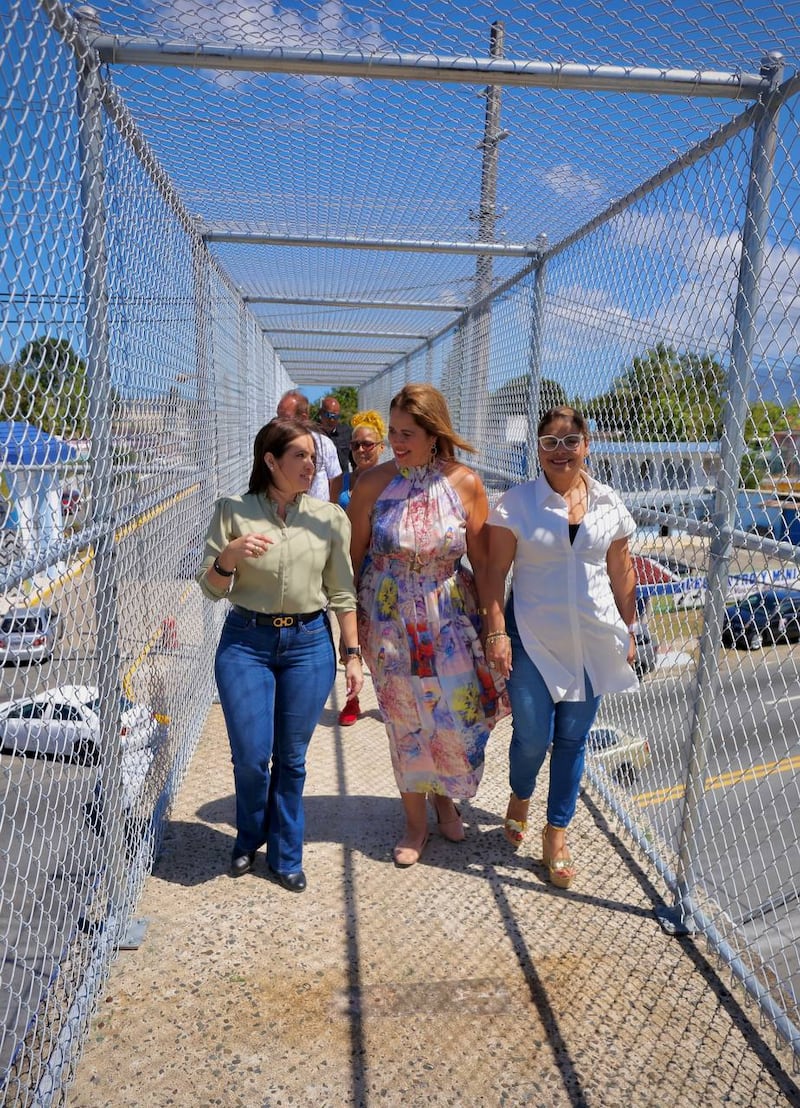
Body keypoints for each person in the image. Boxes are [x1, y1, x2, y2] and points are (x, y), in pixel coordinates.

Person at [196, 417, 363, 892]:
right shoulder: (232, 511)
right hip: (246, 642)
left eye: (314, 456)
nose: (311, 464)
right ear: (271, 461)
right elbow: (211, 590)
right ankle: (250, 835)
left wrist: (352, 655)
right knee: (252, 757)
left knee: (291, 758)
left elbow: (343, 592)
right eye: (300, 456)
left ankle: (286, 851)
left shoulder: (329, 518)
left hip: (309, 643)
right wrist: (229, 556)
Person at [348, 384, 509, 867]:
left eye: (408, 434)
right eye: (392, 433)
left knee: (455, 717)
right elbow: (352, 558)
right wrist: (350, 631)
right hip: (389, 617)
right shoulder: (372, 484)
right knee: (405, 720)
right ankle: (416, 824)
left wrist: (493, 628)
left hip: (449, 615)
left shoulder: (464, 483)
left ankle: (445, 797)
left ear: (434, 434)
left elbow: (483, 565)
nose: (396, 443)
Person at [482, 405, 638, 889]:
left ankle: (556, 835)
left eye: (571, 441)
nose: (561, 451)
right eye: (550, 442)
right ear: (538, 449)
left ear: (587, 446)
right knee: (532, 737)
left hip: (591, 641)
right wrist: (496, 631)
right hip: (530, 636)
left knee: (573, 741)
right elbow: (492, 572)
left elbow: (621, 570)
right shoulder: (517, 504)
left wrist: (627, 630)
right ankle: (520, 794)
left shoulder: (610, 503)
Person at [330, 410, 387, 727]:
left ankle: (390, 698)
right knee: (349, 634)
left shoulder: (393, 480)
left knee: (385, 637)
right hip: (349, 564)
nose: (361, 450)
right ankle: (352, 698)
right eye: (355, 445)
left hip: (381, 567)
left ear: (381, 445)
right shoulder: (343, 481)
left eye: (367, 444)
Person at [277, 389, 341, 499]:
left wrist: (331, 511)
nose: (279, 423)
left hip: (317, 513)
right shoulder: (275, 443)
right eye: (278, 416)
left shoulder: (324, 445)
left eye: (285, 418)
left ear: (303, 417)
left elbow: (335, 479)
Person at [318, 394, 353, 473]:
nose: (332, 420)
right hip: (322, 482)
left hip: (344, 479)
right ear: (321, 413)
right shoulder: (313, 434)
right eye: (329, 415)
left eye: (336, 416)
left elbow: (355, 461)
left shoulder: (347, 432)